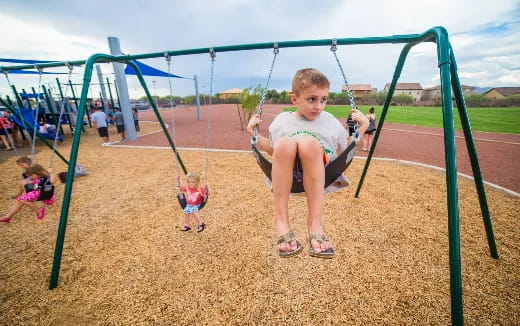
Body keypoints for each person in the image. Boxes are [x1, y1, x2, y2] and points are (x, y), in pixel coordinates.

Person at [247, 68, 369, 258]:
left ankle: (315, 223)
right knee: (285, 144)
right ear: (294, 99)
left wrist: (363, 127)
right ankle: (281, 222)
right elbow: (274, 151)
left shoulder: (329, 121)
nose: (319, 106)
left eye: (323, 100)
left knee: (309, 144)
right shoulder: (282, 121)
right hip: (287, 175)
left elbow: (345, 149)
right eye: (312, 99)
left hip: (321, 173)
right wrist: (254, 135)